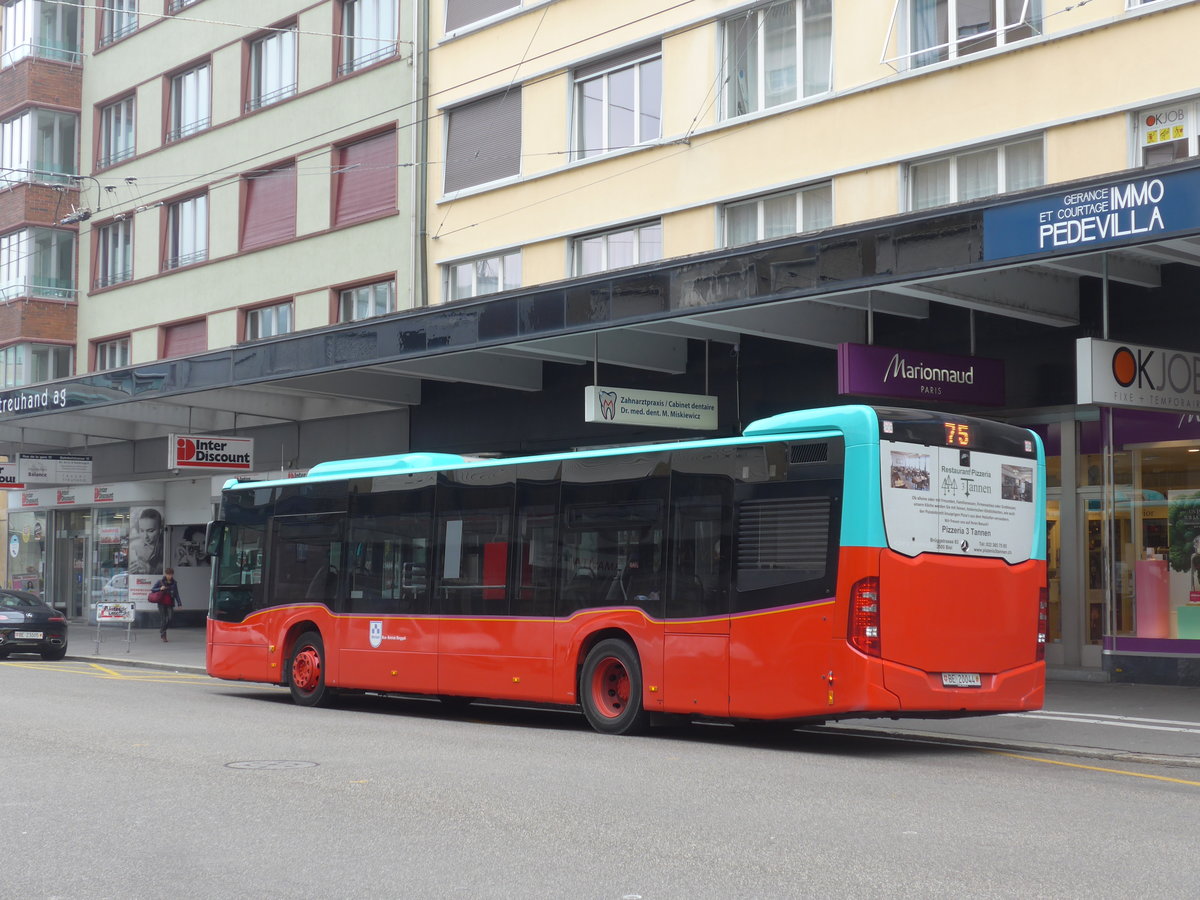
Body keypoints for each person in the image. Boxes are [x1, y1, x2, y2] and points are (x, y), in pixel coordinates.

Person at [129, 508, 164, 575]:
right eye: (142, 531)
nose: (145, 536)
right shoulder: (134, 547)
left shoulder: (165, 549)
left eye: (150, 531)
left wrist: (150, 570)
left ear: (160, 530)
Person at [151, 568, 182, 642]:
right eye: (168, 574)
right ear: (165, 574)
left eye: (171, 575)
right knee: (163, 619)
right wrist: (160, 588)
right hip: (161, 603)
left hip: (170, 603)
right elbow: (152, 590)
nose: (169, 576)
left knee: (170, 618)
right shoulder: (160, 582)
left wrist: (179, 603)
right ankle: (163, 635)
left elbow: (176, 594)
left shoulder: (174, 583)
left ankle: (162, 629)